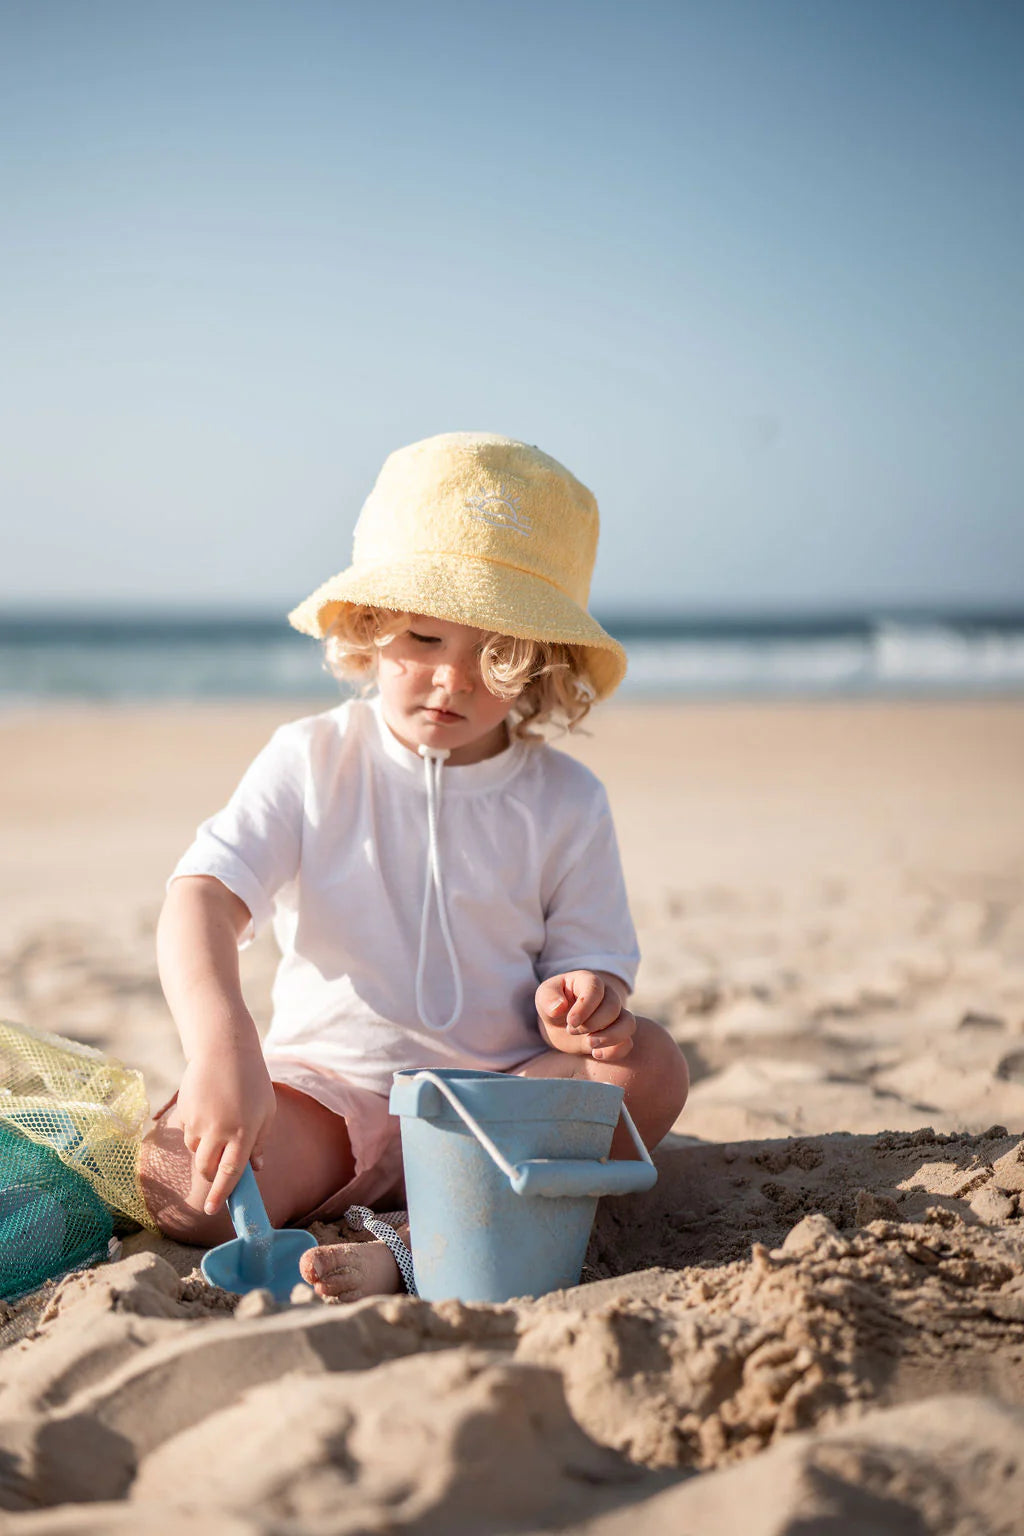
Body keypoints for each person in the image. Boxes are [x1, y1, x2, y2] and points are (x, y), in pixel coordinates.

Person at [140, 430, 689, 1300]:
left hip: (501, 1103)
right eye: (425, 638)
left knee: (648, 1067)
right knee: (176, 1181)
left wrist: (584, 1002)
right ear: (367, 628)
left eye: (494, 656)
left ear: (539, 663)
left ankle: (405, 1245)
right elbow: (201, 899)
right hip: (330, 1101)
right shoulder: (313, 759)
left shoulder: (565, 798)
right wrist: (221, 1049)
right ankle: (443, 1228)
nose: (450, 681)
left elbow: (593, 963)